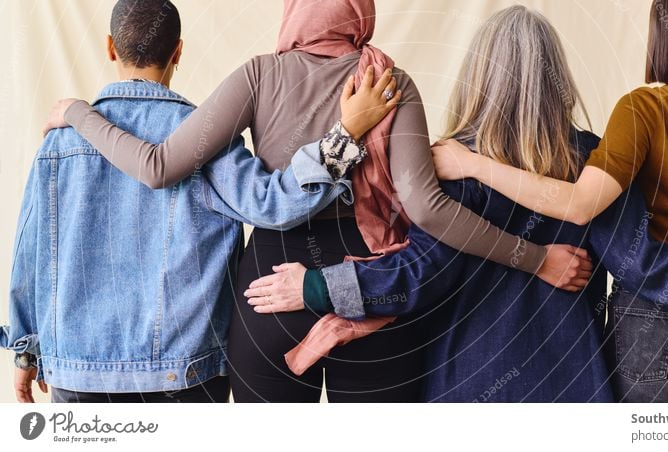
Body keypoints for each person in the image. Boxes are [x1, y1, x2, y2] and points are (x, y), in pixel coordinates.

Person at [42, 0, 596, 402]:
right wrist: (536, 258)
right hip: (373, 288)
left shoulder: (259, 75)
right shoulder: (388, 82)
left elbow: (157, 167)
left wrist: (77, 112)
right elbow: (428, 210)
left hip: (270, 286)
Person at [249, 5, 668, 402]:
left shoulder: (453, 164)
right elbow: (641, 263)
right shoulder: (592, 163)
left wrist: (317, 285)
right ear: (558, 81)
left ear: (482, 77)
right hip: (574, 389)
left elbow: (420, 273)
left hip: (466, 389)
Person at [1, 0, 392, 403]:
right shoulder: (207, 141)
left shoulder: (60, 142)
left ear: (110, 47)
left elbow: (30, 255)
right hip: (185, 373)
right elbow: (275, 205)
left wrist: (25, 350)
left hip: (77, 371)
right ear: (179, 51)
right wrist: (344, 136)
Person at [431, 0, 668, 402]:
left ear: (663, 36)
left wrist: (474, 166)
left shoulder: (644, 110)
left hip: (652, 322)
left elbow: (581, 205)